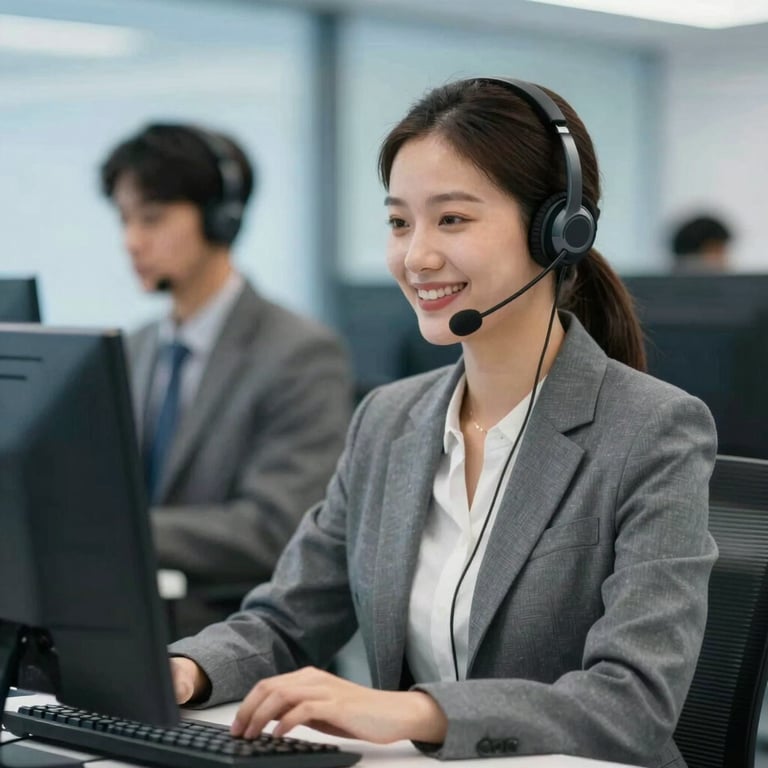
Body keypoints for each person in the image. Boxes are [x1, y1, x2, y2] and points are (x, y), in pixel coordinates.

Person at [168, 79, 717, 767]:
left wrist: (414, 712)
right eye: (400, 222)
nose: (416, 256)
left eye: (452, 220)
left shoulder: (654, 430)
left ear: (558, 229)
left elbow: (633, 701)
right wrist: (185, 670)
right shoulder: (388, 421)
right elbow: (285, 619)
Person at [100, 123, 353, 637]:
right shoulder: (136, 346)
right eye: (124, 219)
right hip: (124, 619)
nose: (131, 241)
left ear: (222, 220)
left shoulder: (299, 353)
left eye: (152, 218)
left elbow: (277, 526)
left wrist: (115, 532)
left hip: (235, 632)